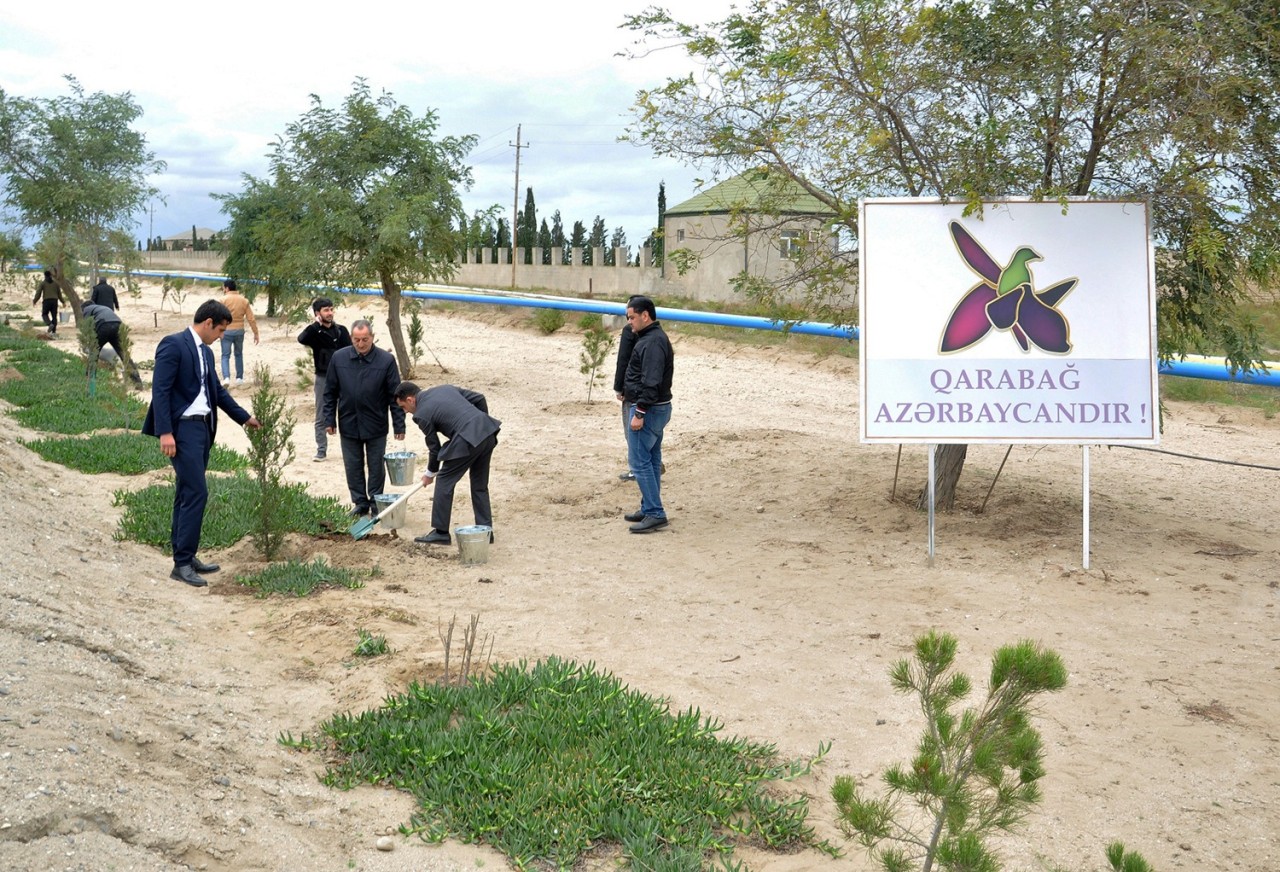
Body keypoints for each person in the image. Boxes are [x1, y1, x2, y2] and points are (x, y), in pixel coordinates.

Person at [142, 300, 261, 587]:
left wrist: (245, 418)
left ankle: (186, 554)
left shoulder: (206, 353)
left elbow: (216, 392)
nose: (221, 336)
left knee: (186, 492)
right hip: (180, 430)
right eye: (220, 330)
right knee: (197, 492)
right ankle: (181, 562)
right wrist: (165, 432)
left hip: (202, 430)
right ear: (207, 323)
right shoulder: (173, 344)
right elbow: (160, 390)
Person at [394, 381, 501, 546]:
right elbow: (480, 398)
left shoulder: (421, 414)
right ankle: (485, 531)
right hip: (487, 430)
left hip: (468, 438)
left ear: (410, 399)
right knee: (479, 484)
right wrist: (480, 423)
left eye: (403, 407)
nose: (405, 412)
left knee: (444, 480)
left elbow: (434, 448)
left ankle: (441, 532)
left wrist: (430, 473)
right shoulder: (444, 388)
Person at [322, 320, 405, 517]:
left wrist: (399, 425)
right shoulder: (339, 358)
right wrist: (329, 420)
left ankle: (376, 502)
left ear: (372, 337)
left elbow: (395, 396)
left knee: (376, 466)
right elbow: (329, 392)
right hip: (348, 423)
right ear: (351, 338)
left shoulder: (386, 360)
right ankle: (360, 503)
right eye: (357, 340)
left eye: (365, 340)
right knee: (353, 466)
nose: (361, 344)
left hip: (376, 423)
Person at [621, 296, 674, 533]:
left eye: (632, 317)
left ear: (645, 315)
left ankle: (654, 512)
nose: (629, 322)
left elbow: (651, 382)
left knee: (639, 462)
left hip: (649, 410)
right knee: (651, 460)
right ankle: (648, 507)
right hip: (657, 408)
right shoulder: (652, 338)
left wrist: (639, 412)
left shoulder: (652, 343)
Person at [297, 297, 352, 462]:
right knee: (321, 415)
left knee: (347, 413)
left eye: (331, 309)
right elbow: (301, 338)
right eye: (326, 310)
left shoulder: (341, 331)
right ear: (317, 313)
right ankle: (321, 450)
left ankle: (349, 449)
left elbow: (351, 351)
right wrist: (316, 325)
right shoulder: (315, 332)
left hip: (343, 379)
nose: (330, 313)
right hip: (323, 378)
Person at [80, 301, 143, 386]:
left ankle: (90, 382)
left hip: (104, 325)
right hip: (118, 325)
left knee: (94, 354)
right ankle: (138, 383)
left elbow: (87, 326)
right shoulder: (102, 307)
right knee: (124, 355)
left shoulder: (87, 309)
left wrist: (87, 342)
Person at [218, 279, 259, 385]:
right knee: (239, 354)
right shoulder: (244, 300)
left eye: (223, 288)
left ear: (226, 288)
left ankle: (226, 378)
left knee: (225, 355)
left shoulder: (222, 300)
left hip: (226, 331)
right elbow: (251, 318)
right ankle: (239, 378)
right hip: (239, 331)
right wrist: (256, 333)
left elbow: (217, 316)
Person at [32, 270, 64, 335]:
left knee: (44, 314)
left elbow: (38, 293)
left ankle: (50, 324)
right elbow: (59, 294)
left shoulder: (43, 283)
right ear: (51, 275)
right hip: (55, 301)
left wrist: (35, 300)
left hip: (46, 301)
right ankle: (54, 332)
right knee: (54, 316)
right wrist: (63, 302)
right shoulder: (56, 284)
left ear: (45, 276)